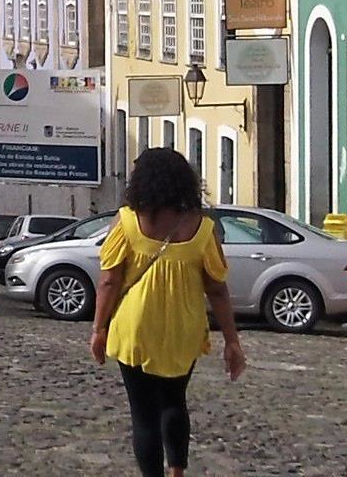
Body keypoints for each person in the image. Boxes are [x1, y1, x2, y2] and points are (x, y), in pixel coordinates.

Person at [90, 147, 245, 477]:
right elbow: (217, 288)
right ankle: (177, 472)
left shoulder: (128, 221)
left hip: (135, 327)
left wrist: (98, 328)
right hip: (183, 328)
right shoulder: (202, 228)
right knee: (175, 401)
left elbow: (109, 280)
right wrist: (232, 342)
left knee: (143, 414)